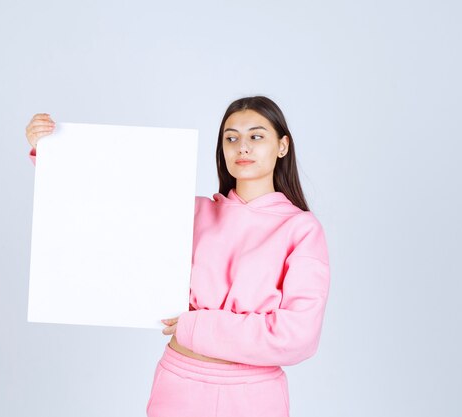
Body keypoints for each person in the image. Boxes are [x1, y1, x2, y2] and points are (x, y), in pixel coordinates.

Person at [24, 96, 330, 417]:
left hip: (253, 396)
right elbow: (109, 208)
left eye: (256, 136)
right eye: (231, 137)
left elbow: (298, 337)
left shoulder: (301, 229)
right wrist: (51, 154)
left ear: (282, 146)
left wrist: (197, 325)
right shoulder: (189, 211)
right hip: (178, 386)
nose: (242, 147)